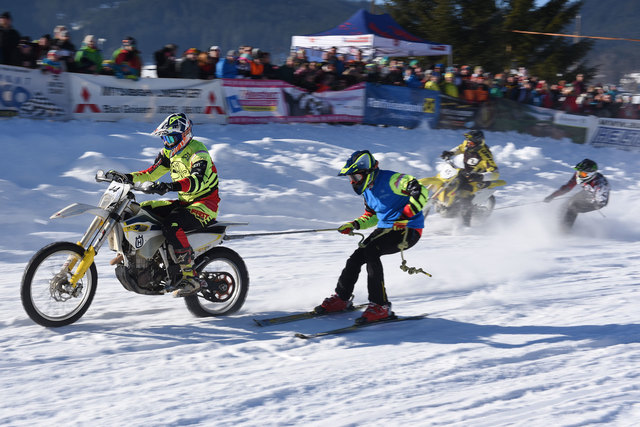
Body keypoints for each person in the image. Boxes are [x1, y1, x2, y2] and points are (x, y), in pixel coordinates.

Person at [107, 113, 220, 297]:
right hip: (185, 202)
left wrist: (169, 186)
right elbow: (150, 173)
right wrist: (125, 177)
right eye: (164, 139)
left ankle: (190, 277)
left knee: (171, 225)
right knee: (142, 210)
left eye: (171, 138)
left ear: (184, 135)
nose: (167, 143)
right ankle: (133, 253)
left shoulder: (198, 152)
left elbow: (196, 181)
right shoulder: (169, 152)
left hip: (204, 205)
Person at [314, 150, 429, 324]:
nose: (353, 181)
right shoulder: (367, 190)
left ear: (368, 172)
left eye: (356, 177)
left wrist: (406, 215)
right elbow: (372, 216)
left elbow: (421, 191)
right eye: (351, 178)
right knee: (356, 258)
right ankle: (341, 298)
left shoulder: (391, 179)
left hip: (408, 229)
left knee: (371, 251)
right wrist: (354, 224)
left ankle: (380, 306)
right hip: (385, 229)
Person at [441, 130, 499, 226]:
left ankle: (466, 225)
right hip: (467, 173)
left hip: (480, 179)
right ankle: (451, 206)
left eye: (470, 143)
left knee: (465, 195)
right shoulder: (468, 144)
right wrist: (450, 153)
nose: (468, 144)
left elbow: (495, 173)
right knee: (453, 182)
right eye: (468, 142)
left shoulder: (485, 155)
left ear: (478, 143)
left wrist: (480, 176)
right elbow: (460, 148)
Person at [543, 159, 610, 231]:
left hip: (598, 201)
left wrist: (590, 201)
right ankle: (559, 221)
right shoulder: (579, 175)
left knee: (573, 207)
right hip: (587, 191)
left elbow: (601, 202)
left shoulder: (600, 185)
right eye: (579, 172)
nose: (579, 175)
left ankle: (564, 230)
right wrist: (552, 196)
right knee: (568, 202)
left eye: (583, 174)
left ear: (591, 174)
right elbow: (567, 187)